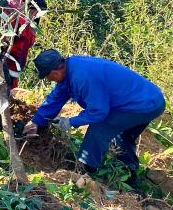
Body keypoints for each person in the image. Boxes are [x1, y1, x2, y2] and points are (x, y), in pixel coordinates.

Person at [23, 50, 166, 182]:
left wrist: (70, 122)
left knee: (100, 128)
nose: (49, 80)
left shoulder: (82, 77)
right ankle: (128, 175)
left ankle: (85, 170)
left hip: (144, 104)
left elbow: (98, 112)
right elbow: (57, 97)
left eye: (47, 76)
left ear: (54, 72)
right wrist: (36, 121)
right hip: (148, 99)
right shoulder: (71, 69)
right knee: (122, 135)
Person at [0, 0, 46, 126]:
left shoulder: (9, 4)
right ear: (33, 11)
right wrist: (10, 84)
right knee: (0, 84)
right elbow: (17, 60)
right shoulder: (24, 29)